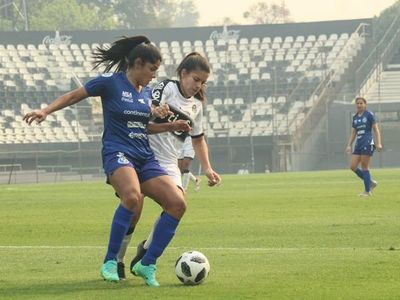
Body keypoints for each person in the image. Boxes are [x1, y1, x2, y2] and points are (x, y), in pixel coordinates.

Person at [23, 35, 195, 287]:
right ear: (137, 63)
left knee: (178, 204)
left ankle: (147, 264)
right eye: (151, 70)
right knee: (133, 198)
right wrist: (46, 111)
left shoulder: (146, 92)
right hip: (118, 152)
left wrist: (170, 125)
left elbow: (142, 127)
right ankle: (110, 261)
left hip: (144, 157)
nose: (153, 76)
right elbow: (75, 95)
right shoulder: (110, 83)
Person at [114, 52, 222, 280]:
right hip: (143, 155)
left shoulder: (196, 106)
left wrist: (208, 168)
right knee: (134, 209)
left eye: (202, 82)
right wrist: (155, 109)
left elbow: (198, 138)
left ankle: (145, 252)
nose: (198, 85)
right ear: (183, 73)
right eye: (195, 79)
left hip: (169, 162)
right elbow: (145, 108)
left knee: (177, 205)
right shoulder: (165, 88)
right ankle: (117, 260)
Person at [346, 97, 382, 197]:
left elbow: (376, 129)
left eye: (361, 103)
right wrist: (349, 145)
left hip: (368, 142)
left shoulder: (369, 114)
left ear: (365, 104)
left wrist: (378, 143)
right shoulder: (355, 117)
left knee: (364, 166)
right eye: (357, 103)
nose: (359, 105)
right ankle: (370, 182)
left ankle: (367, 191)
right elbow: (353, 133)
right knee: (353, 166)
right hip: (359, 143)